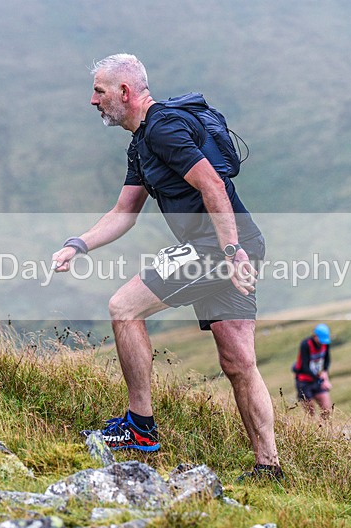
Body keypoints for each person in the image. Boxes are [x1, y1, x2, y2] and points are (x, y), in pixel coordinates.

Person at [51, 53, 281, 479]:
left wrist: (230, 254)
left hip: (220, 247)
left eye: (99, 91)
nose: (92, 100)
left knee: (124, 307)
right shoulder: (141, 142)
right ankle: (269, 467)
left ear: (124, 92)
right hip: (236, 244)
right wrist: (77, 245)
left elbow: (213, 183)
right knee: (237, 361)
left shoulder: (162, 129)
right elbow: (125, 211)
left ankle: (140, 428)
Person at [292, 323, 333, 417]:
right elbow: (304, 367)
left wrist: (325, 371)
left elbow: (327, 359)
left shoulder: (325, 344)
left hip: (317, 379)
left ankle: (324, 429)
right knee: (310, 413)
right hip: (304, 382)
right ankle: (313, 430)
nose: (322, 343)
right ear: (315, 336)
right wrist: (320, 380)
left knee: (327, 410)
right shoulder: (305, 344)